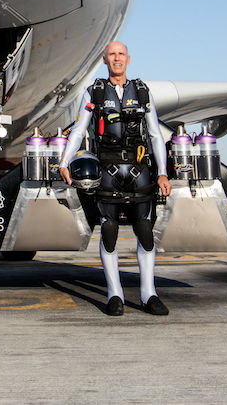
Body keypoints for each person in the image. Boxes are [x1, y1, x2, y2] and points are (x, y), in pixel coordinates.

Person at [59, 41, 171, 316]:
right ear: (105, 60)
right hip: (108, 171)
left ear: (128, 59)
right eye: (112, 55)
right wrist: (64, 162)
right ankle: (115, 295)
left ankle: (149, 294)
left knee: (145, 232)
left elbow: (156, 134)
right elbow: (78, 130)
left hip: (139, 169)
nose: (117, 59)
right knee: (108, 231)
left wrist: (162, 173)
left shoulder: (143, 93)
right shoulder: (94, 92)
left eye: (121, 54)